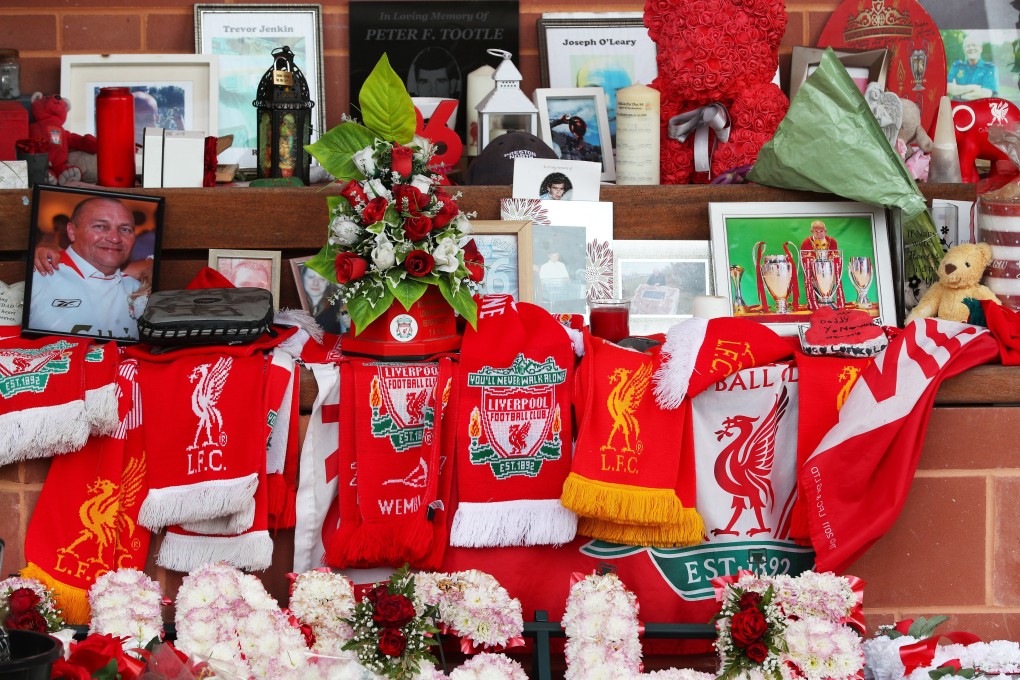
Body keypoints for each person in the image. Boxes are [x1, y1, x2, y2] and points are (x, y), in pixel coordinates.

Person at [30, 197, 143, 340]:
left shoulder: (138, 289)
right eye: (100, 226)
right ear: (71, 232)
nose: (115, 238)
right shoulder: (38, 274)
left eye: (125, 229)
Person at [799, 220, 844, 311]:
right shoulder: (806, 243)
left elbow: (835, 257)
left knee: (829, 291)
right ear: (812, 231)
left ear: (825, 231)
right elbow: (805, 260)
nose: (819, 234)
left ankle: (830, 302)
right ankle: (815, 305)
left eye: (821, 231)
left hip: (829, 273)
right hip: (814, 275)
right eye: (816, 232)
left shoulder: (832, 242)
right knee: (815, 292)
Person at [948, 34, 998, 102]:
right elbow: (948, 89)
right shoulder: (956, 66)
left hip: (980, 110)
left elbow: (985, 94)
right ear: (963, 50)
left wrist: (959, 94)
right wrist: (973, 88)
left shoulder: (989, 68)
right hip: (958, 110)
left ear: (981, 49)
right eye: (967, 46)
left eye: (974, 45)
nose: (971, 48)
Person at [301, 265, 348, 335]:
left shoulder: (339, 302)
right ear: (302, 278)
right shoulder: (291, 302)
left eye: (322, 279)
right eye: (311, 277)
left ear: (328, 282)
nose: (315, 283)